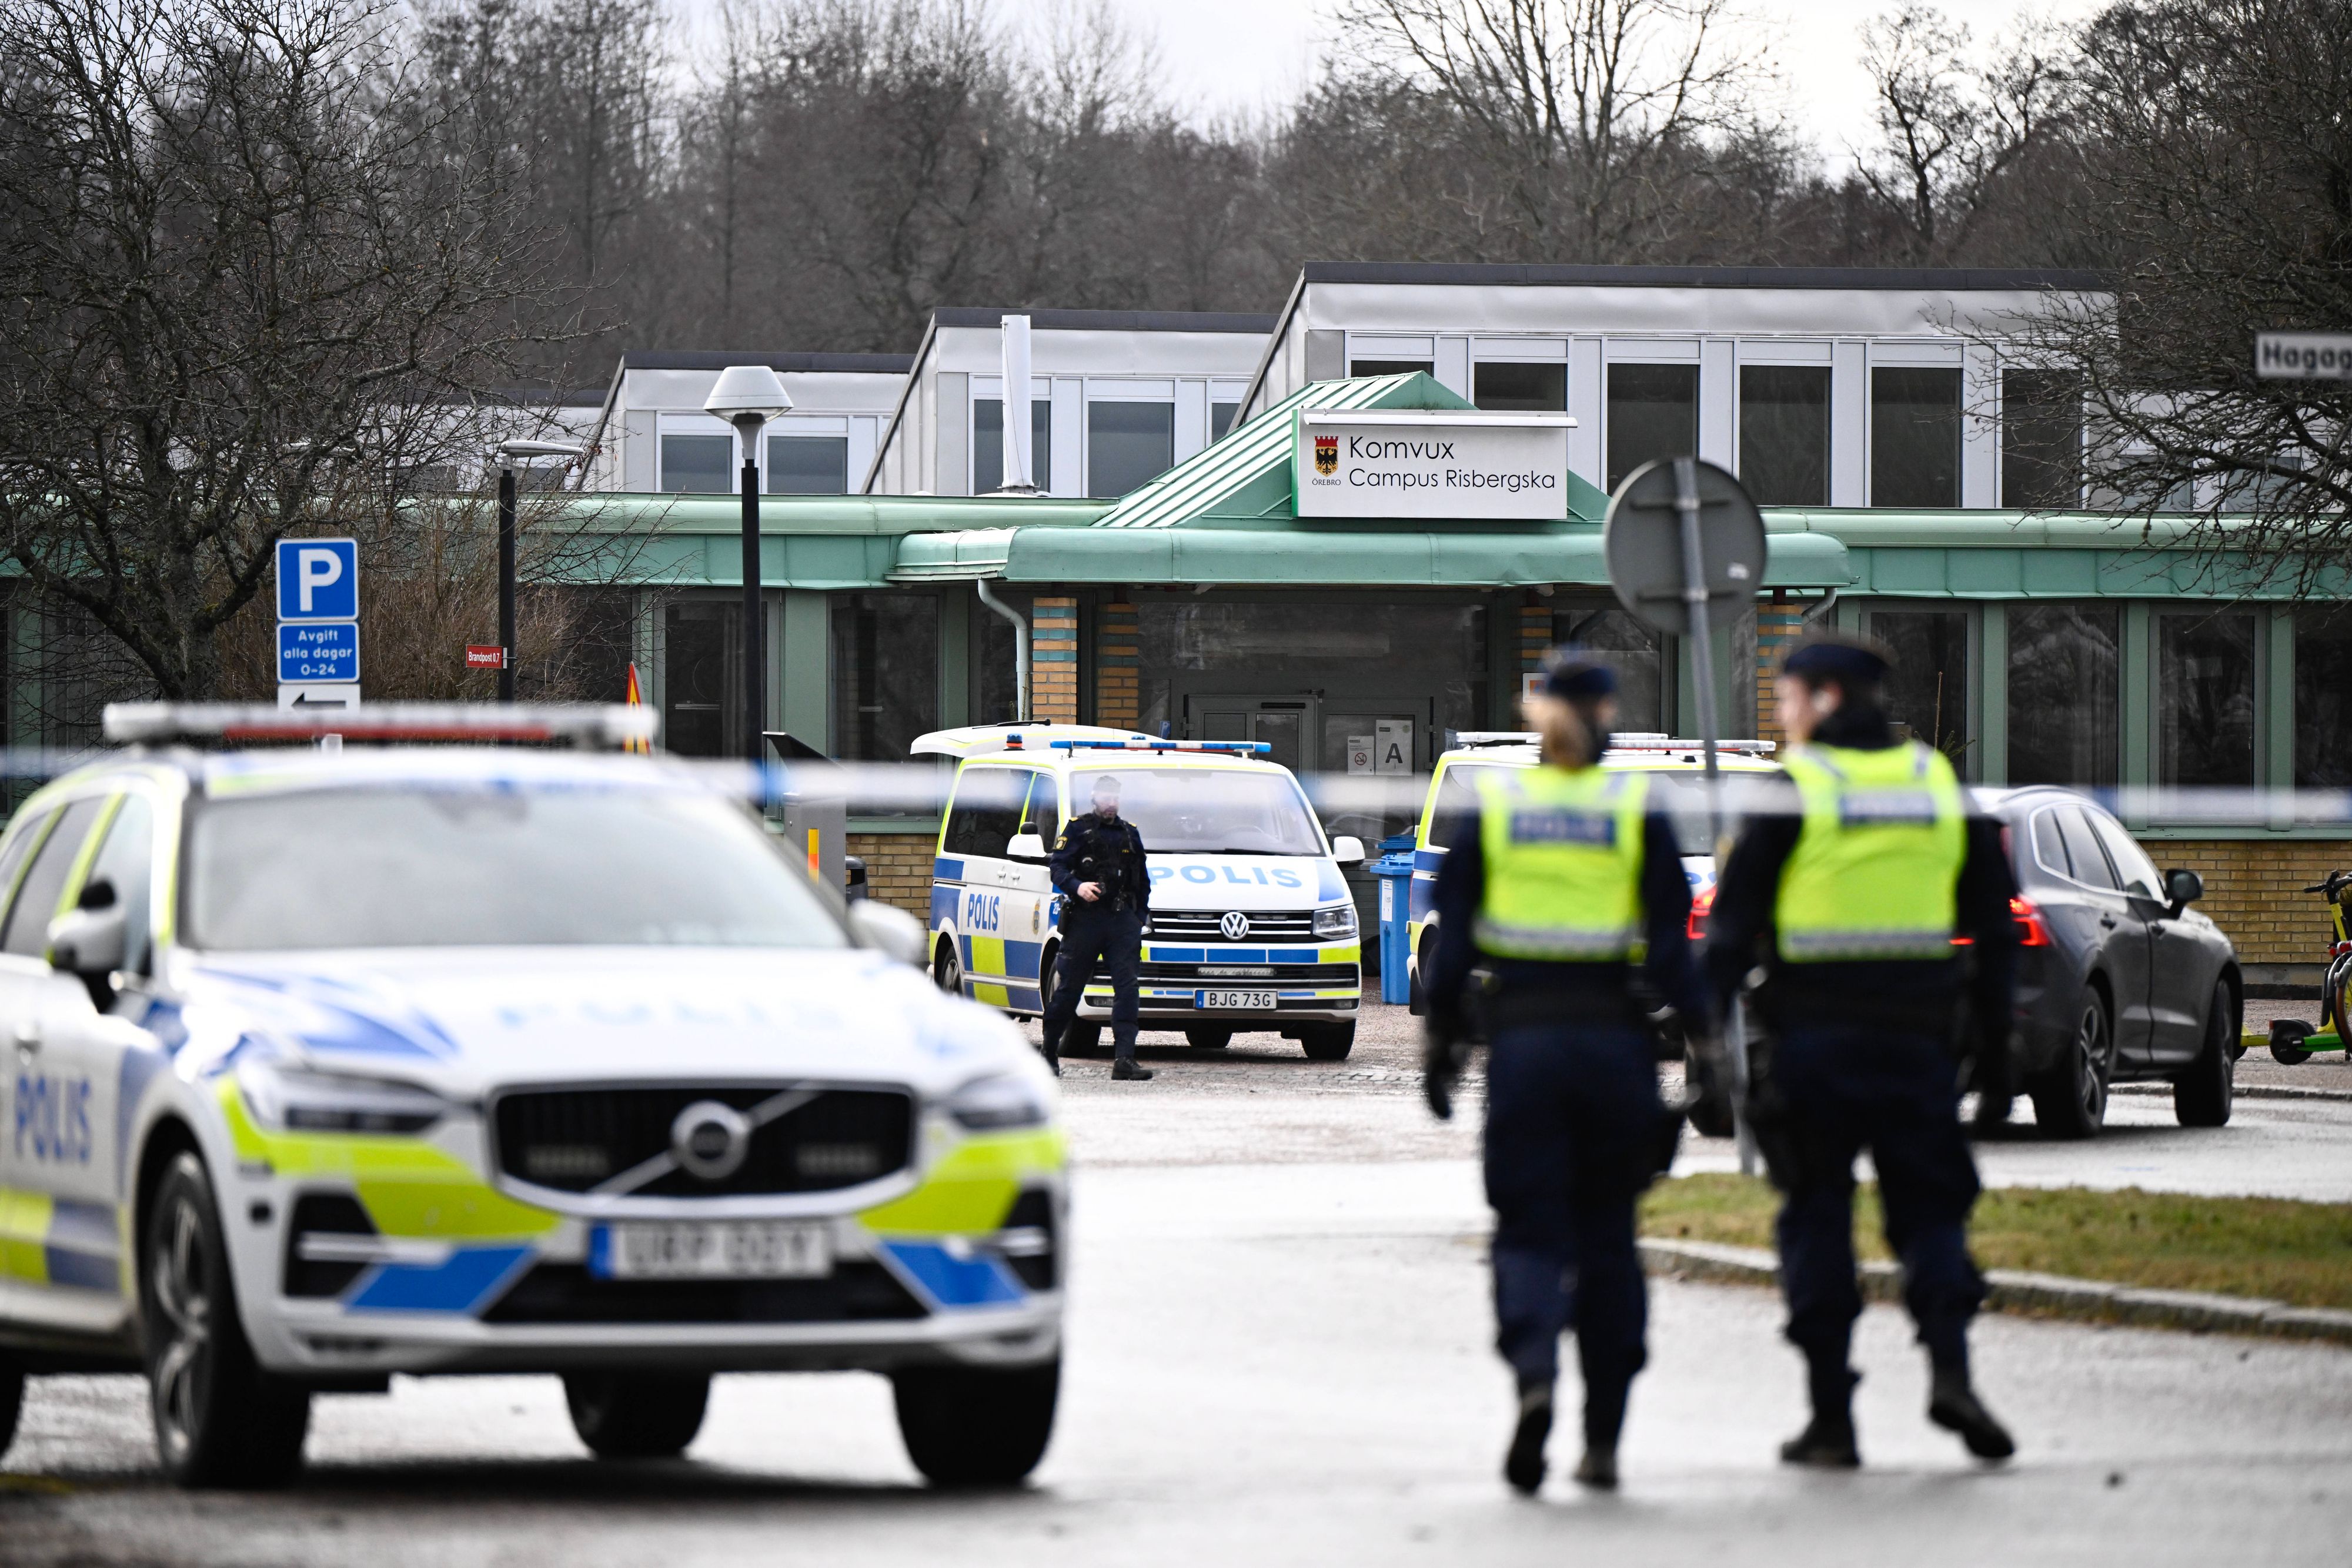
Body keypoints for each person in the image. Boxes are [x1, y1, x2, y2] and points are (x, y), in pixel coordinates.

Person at [1704, 628, 2019, 1469]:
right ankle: (1952, 1373)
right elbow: (1994, 925)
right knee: (1931, 1212)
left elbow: (1731, 929)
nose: (1781, 715)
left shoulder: (1796, 786)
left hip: (1815, 1047)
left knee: (1814, 1214)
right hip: (1919, 1043)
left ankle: (1830, 1416)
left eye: (1788, 698)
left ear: (1828, 698)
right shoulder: (1936, 781)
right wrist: (1996, 1059)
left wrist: (1708, 1037)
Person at [1421, 650, 1708, 1496]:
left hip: (1525, 1051)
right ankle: (1604, 1437)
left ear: (1535, 712)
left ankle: (1536, 1367)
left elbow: (1454, 933)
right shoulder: (1635, 807)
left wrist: (1441, 1045)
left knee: (1528, 1227)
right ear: (1609, 710)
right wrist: (1710, 1046)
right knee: (1610, 1236)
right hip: (1615, 1049)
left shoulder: (1501, 805)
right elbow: (1672, 942)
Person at [1043, 773, 1153, 1081]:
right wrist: (1077, 887)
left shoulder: (1130, 834)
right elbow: (1057, 867)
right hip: (1086, 921)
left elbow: (1143, 882)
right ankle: (1049, 1054)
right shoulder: (1078, 830)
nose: (1111, 803)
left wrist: (1137, 917)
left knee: (1128, 988)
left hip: (1121, 923)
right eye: (1106, 798)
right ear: (1094, 799)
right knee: (1069, 989)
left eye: (1116, 798)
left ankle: (1125, 1060)